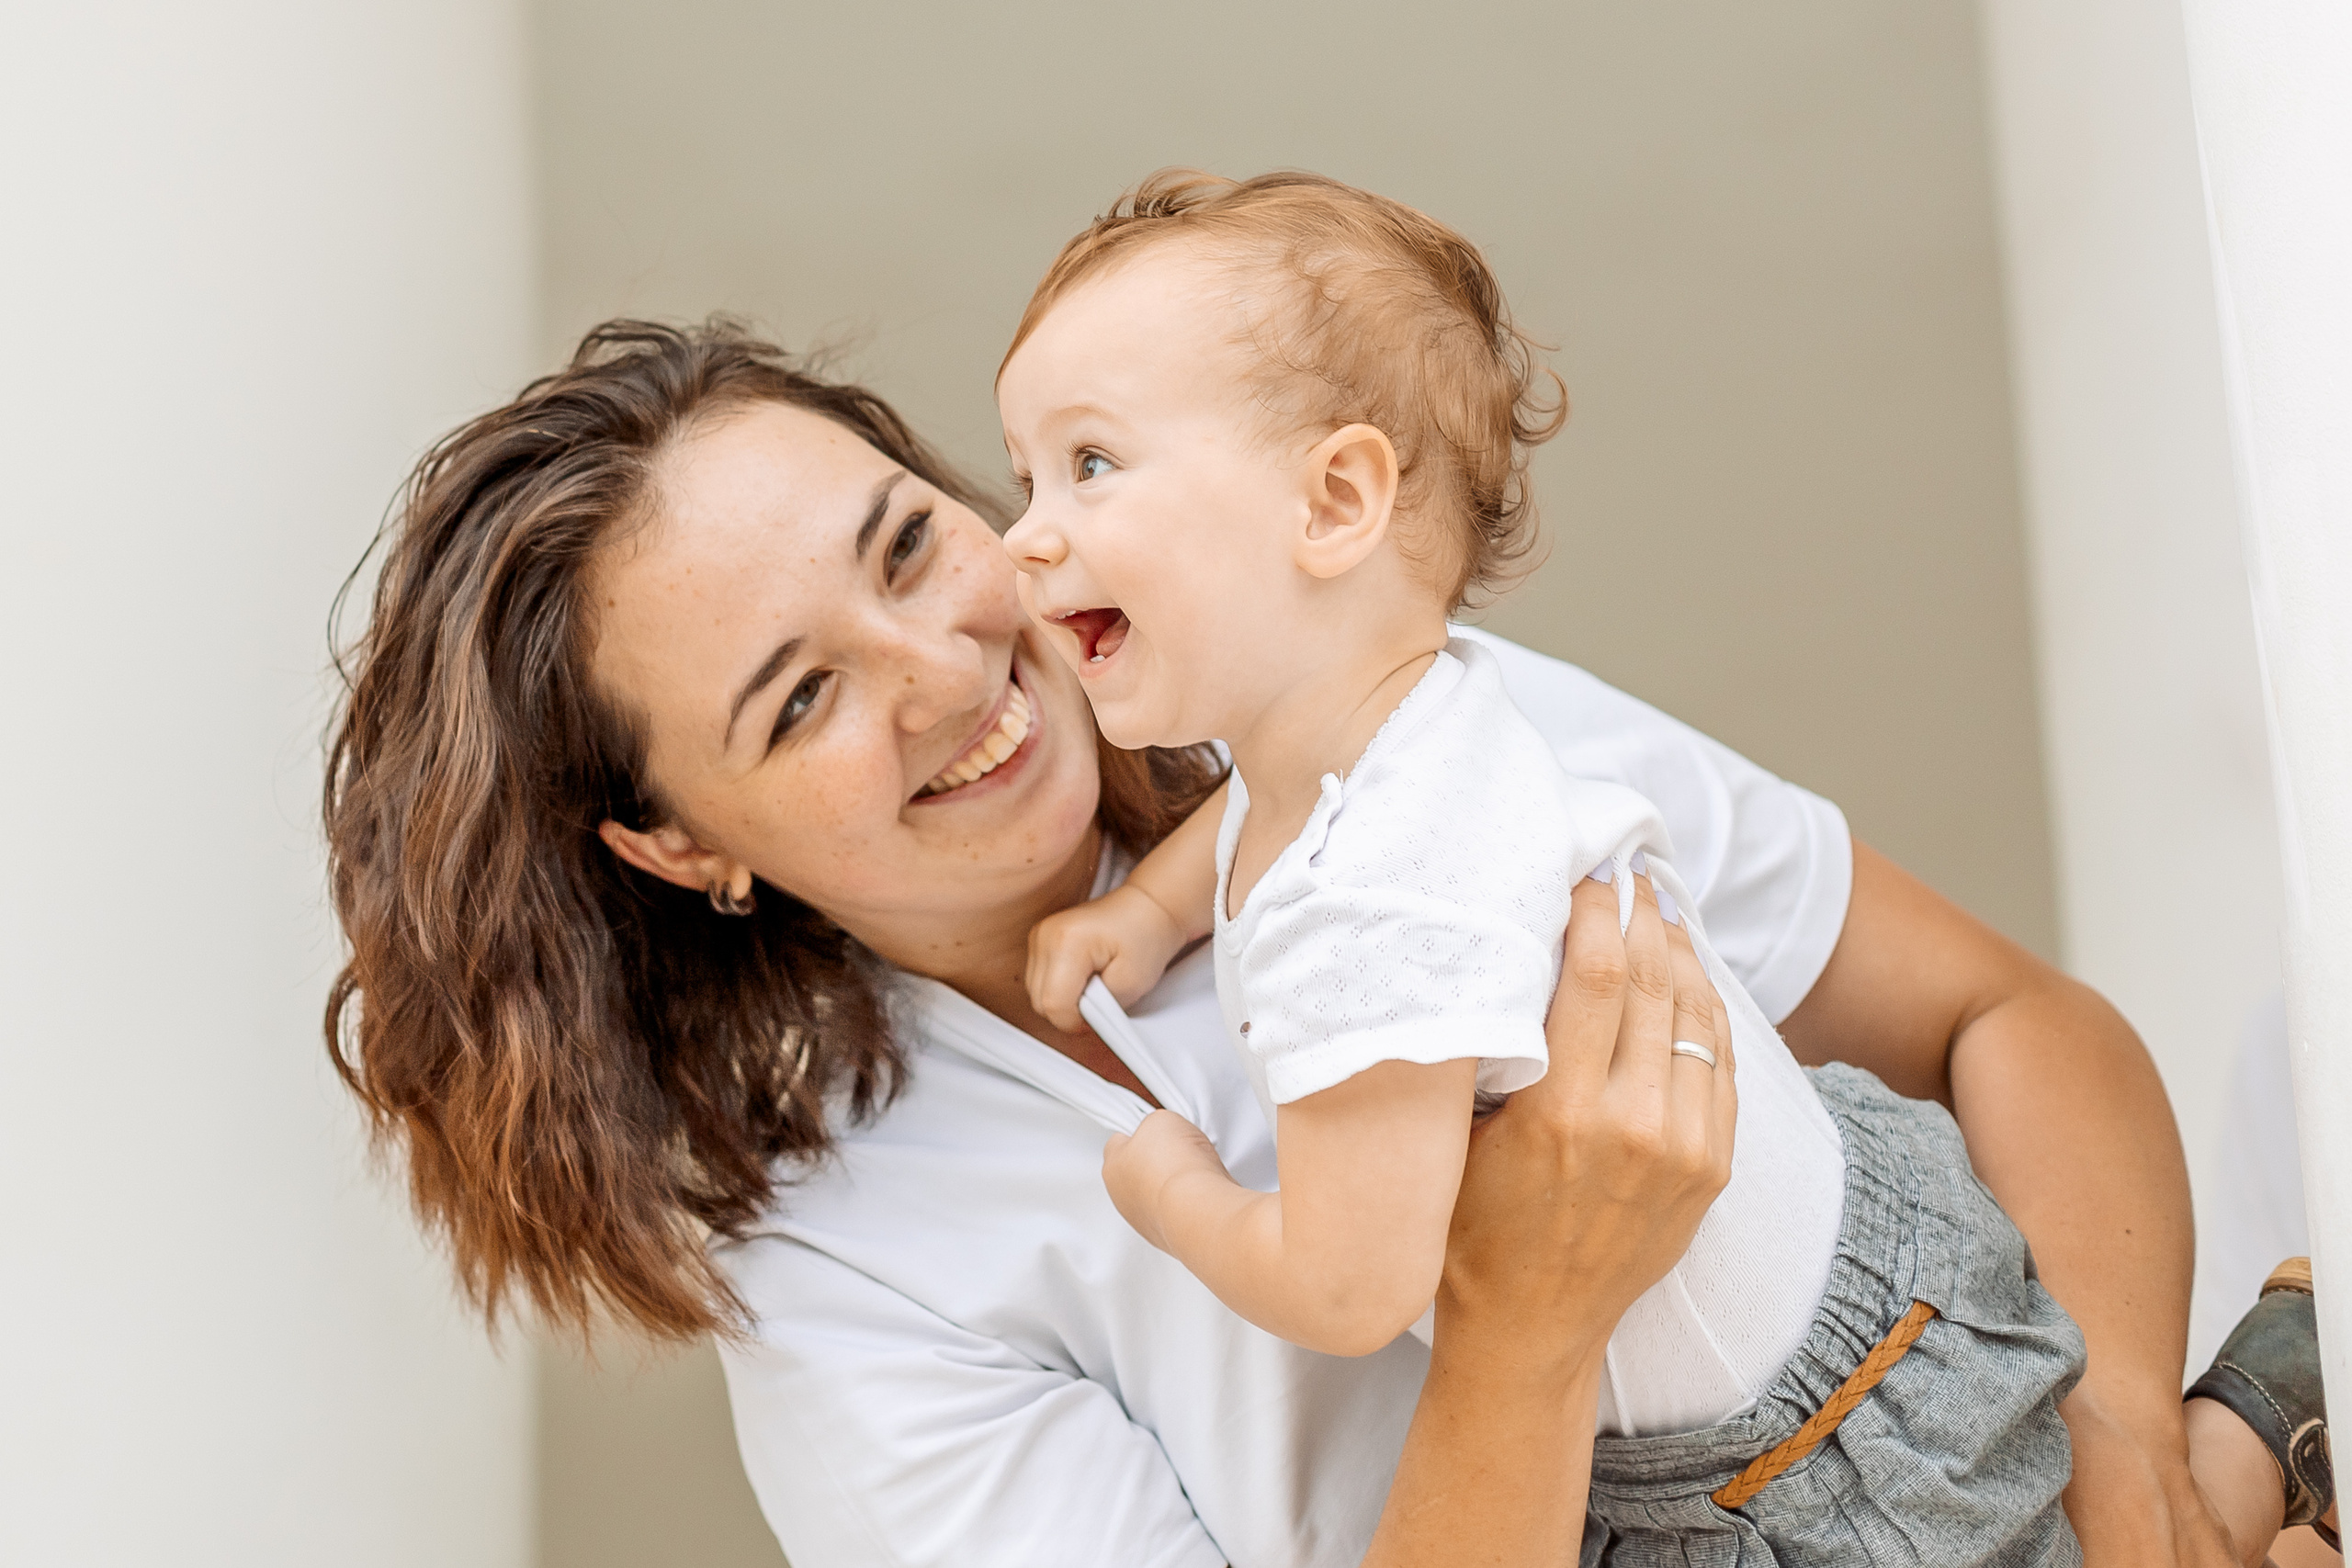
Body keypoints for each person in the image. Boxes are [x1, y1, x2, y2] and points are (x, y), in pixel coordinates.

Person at [322, 315, 2299, 1565]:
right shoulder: (858, 1289)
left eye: (910, 544)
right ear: (679, 847)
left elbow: (2005, 1024)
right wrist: (1520, 1331)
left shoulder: (1384, 716)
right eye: (797, 701)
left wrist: (2119, 1441)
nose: (946, 674)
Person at [1000, 169, 2330, 1564]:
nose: (1025, 531)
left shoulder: (1369, 902)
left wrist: (1173, 1191)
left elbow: (1347, 1280)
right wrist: (1152, 912)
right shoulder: (1400, 719)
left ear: (1334, 500)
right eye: (1023, 470)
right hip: (1837, 1282)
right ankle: (2263, 1418)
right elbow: (1259, 816)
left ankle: (2250, 1462)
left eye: (1089, 465)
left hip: (1800, 1451)